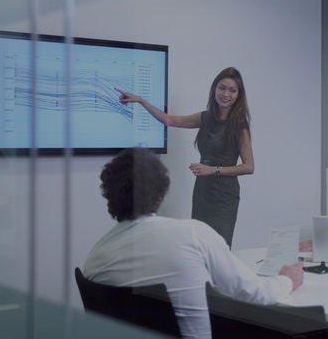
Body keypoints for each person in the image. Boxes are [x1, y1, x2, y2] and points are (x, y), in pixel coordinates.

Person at [83, 148, 303, 339]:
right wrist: (286, 280)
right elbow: (254, 293)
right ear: (159, 196)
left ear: (109, 195)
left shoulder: (95, 259)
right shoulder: (192, 234)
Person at [115, 67, 253, 247]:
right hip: (203, 193)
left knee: (220, 248)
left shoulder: (239, 124)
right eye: (222, 87)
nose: (226, 94)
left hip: (225, 197)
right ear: (214, 89)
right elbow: (169, 120)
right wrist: (141, 101)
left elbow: (249, 167)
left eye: (232, 90)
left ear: (238, 95)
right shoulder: (205, 118)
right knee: (198, 246)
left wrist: (213, 170)